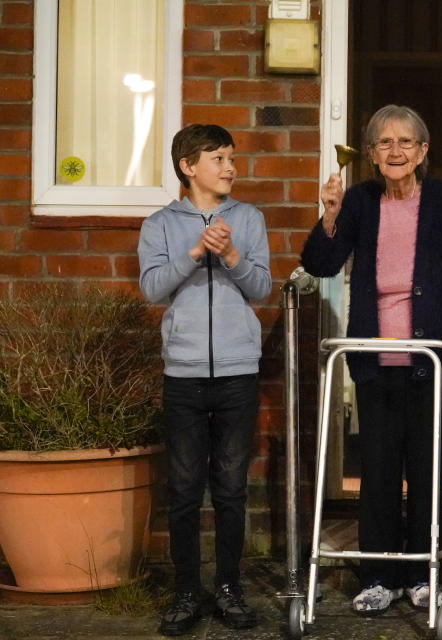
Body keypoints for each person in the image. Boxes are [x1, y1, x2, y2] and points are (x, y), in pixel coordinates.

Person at [300, 105, 442, 616]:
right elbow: (318, 264)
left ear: (423, 151)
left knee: (428, 470)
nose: (396, 151)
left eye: (406, 142)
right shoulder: (360, 200)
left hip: (431, 359)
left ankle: (423, 574)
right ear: (371, 155)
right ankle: (380, 576)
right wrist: (331, 214)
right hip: (376, 359)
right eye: (385, 143)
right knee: (379, 471)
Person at [138, 124, 272, 635]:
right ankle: (186, 591)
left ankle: (230, 588)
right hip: (185, 374)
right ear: (187, 166)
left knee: (232, 489)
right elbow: (152, 288)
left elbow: (261, 287)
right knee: (187, 490)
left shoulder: (249, 218)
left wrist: (233, 256)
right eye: (217, 158)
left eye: (232, 158)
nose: (230, 167)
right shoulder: (160, 223)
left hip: (238, 371)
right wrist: (196, 250)